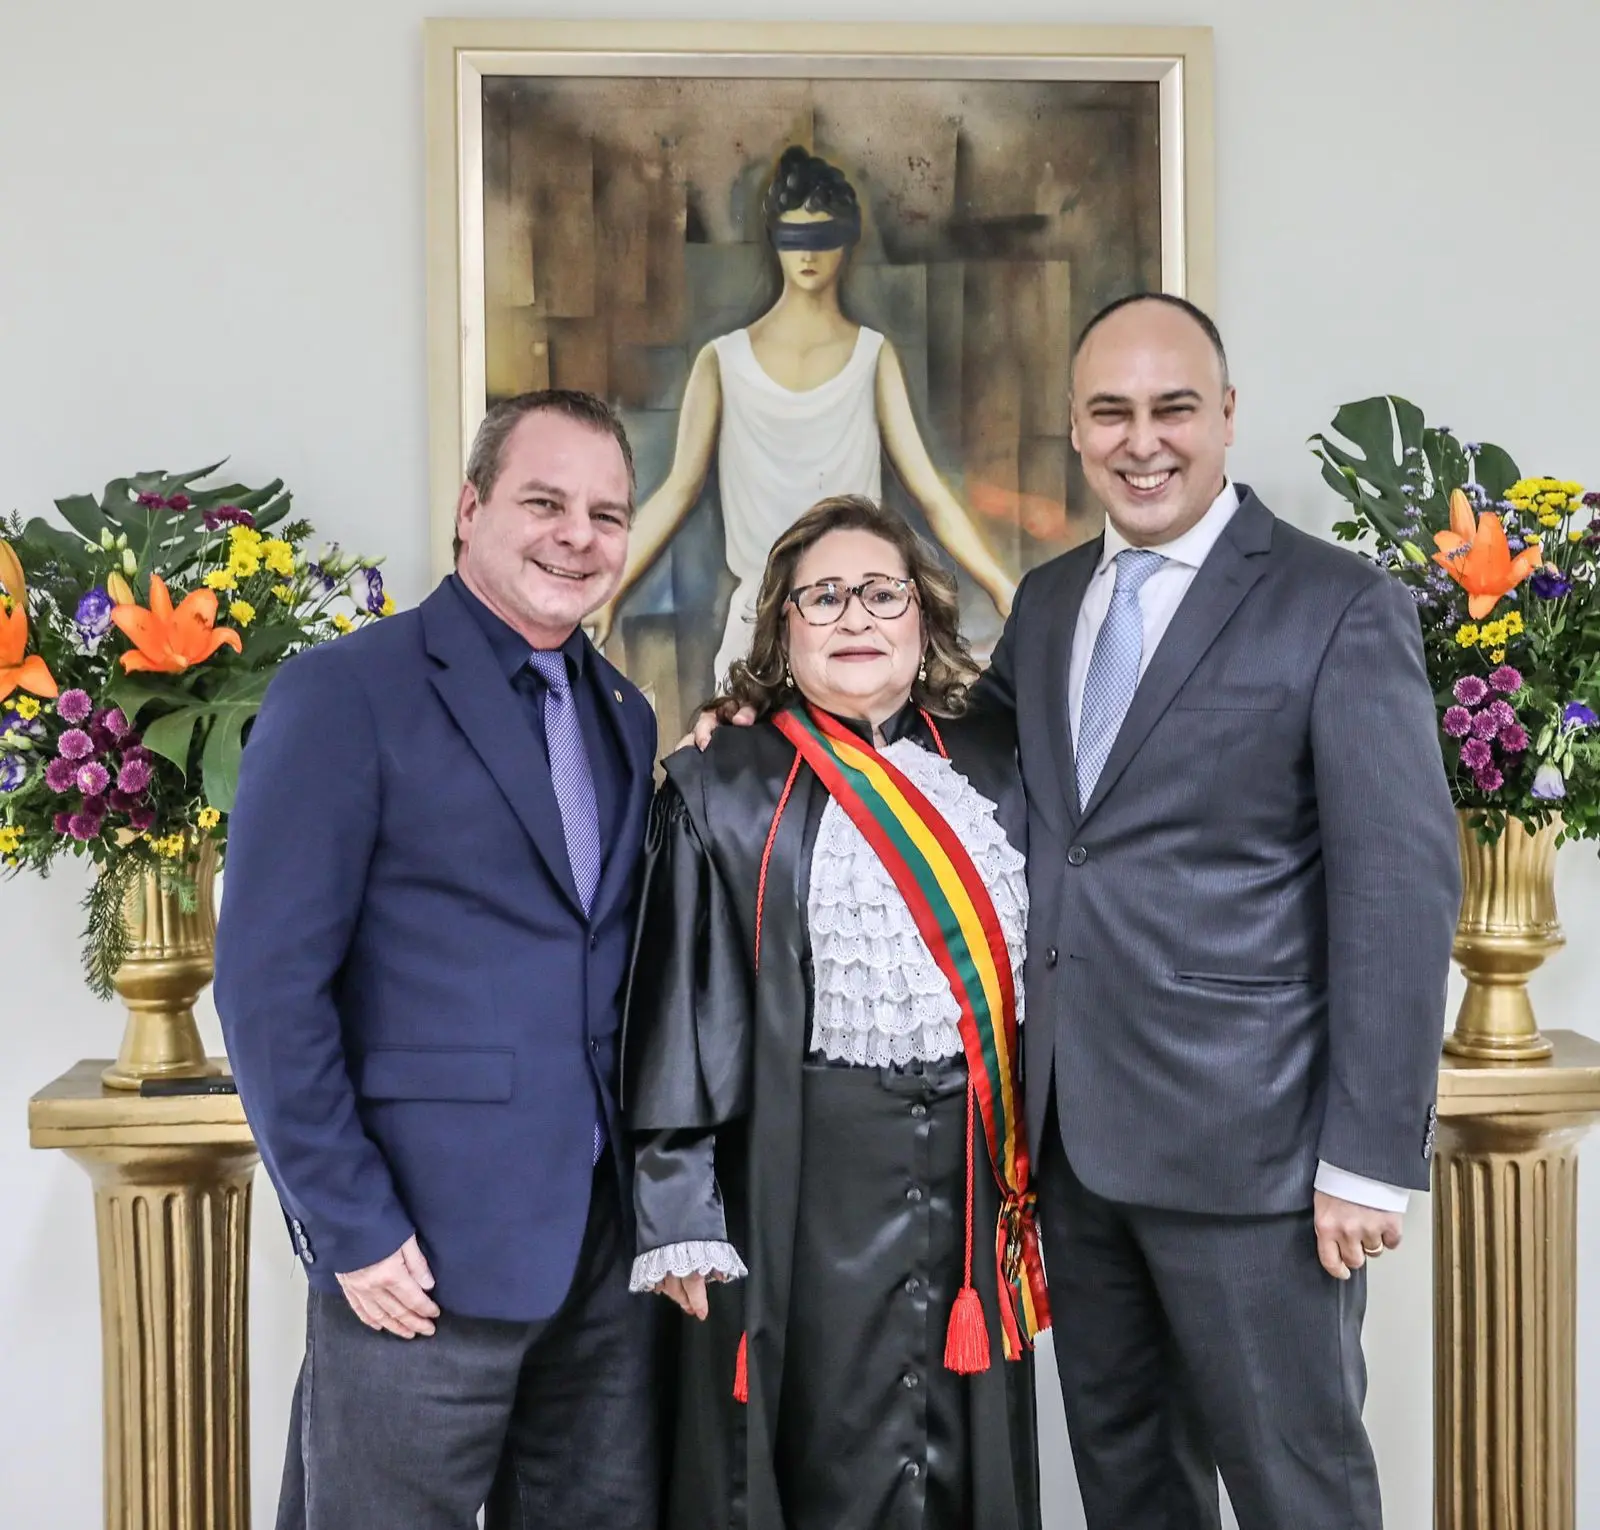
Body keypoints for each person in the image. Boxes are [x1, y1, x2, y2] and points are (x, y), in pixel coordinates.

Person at [693, 295, 1460, 1529]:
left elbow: (1398, 891)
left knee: (1297, 1490)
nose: (1140, 441)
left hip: (1255, 1160)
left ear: (1225, 415)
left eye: (1171, 409)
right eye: (1110, 412)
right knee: (1128, 1491)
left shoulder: (1334, 604)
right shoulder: (1049, 604)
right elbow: (934, 755)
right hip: (1070, 1159)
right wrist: (754, 720)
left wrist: (1367, 1157)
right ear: (1074, 427)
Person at [215, 390, 662, 1530]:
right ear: (470, 509)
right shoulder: (345, 693)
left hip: (601, 1270)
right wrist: (351, 1227)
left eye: (607, 514)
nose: (578, 536)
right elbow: (267, 989)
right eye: (545, 503)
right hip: (415, 1262)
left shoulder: (624, 712)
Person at [623, 494, 1046, 1530]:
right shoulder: (720, 783)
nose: (855, 616)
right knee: (822, 1443)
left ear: (923, 618)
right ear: (782, 628)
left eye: (881, 593)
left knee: (960, 1457)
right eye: (823, 598)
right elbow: (679, 1005)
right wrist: (677, 1203)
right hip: (802, 1180)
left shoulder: (1000, 765)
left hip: (972, 1178)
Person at [590, 146, 1015, 686]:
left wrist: (1002, 587)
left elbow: (929, 490)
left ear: (847, 240)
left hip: (857, 627)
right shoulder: (723, 361)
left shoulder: (871, 357)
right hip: (758, 629)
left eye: (822, 236)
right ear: (775, 239)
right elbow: (678, 490)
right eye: (794, 237)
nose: (807, 253)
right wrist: (609, 590)